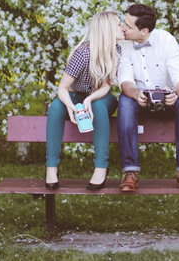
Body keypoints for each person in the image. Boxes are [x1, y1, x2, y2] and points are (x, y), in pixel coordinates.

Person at [116, 3, 179, 192]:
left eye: (128, 26)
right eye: (124, 23)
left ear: (144, 31)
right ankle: (130, 172)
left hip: (166, 99)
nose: (123, 28)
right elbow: (125, 80)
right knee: (125, 102)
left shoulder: (166, 40)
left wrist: (174, 94)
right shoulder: (123, 45)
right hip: (139, 100)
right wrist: (136, 94)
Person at [45, 11, 122, 191]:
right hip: (74, 95)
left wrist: (90, 98)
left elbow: (106, 86)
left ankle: (101, 167)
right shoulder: (82, 54)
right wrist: (70, 106)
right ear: (108, 29)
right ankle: (51, 166)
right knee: (55, 107)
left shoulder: (117, 51)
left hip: (100, 97)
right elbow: (62, 88)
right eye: (119, 24)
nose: (122, 28)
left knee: (98, 107)